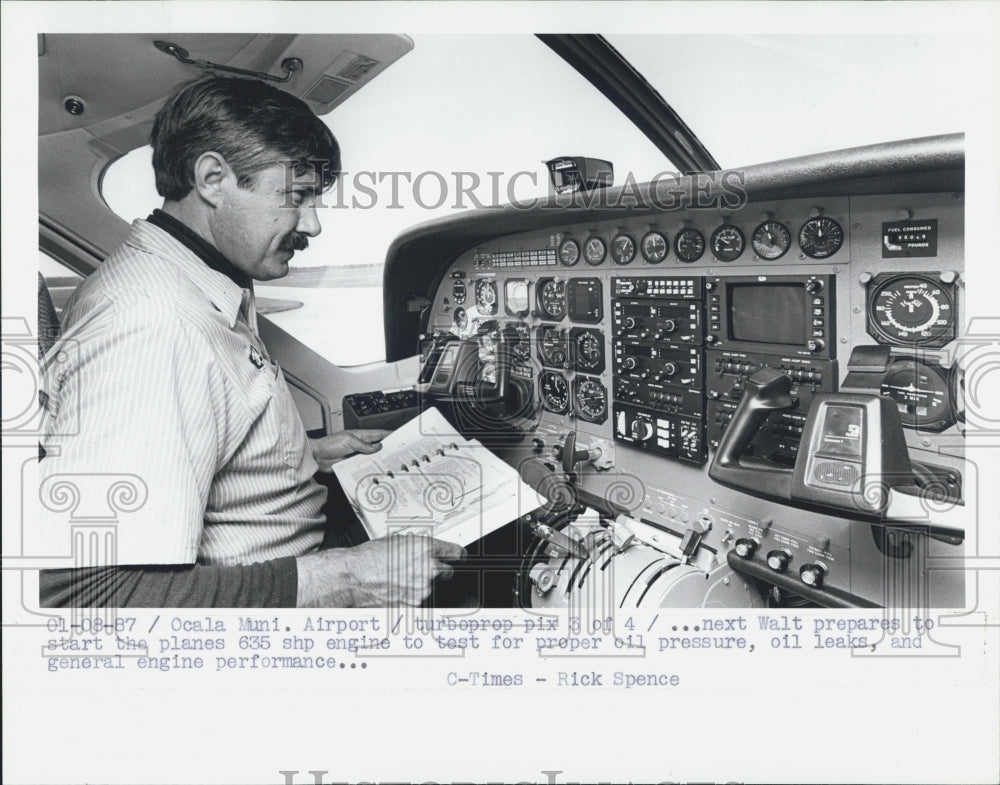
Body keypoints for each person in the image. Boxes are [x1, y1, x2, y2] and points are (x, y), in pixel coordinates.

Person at [38, 75, 464, 607]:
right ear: (214, 178)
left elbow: (199, 430)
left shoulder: (197, 279)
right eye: (297, 196)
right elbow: (86, 594)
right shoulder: (151, 325)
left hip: (299, 548)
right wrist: (350, 580)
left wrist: (291, 458)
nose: (312, 223)